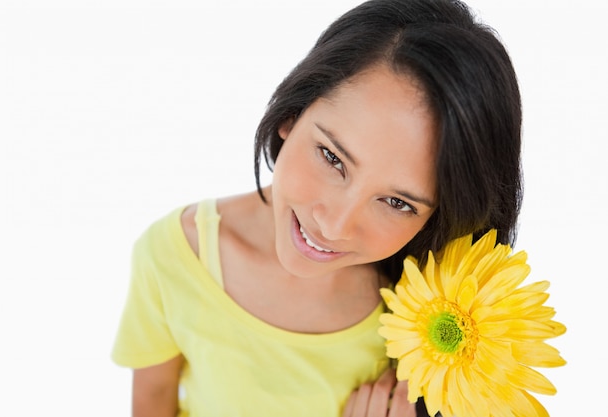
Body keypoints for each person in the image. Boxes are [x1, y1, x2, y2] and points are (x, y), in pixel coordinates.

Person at [111, 0, 523, 416]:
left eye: (397, 202)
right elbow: (151, 402)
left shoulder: (432, 322)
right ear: (291, 115)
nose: (335, 224)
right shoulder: (177, 257)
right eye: (332, 158)